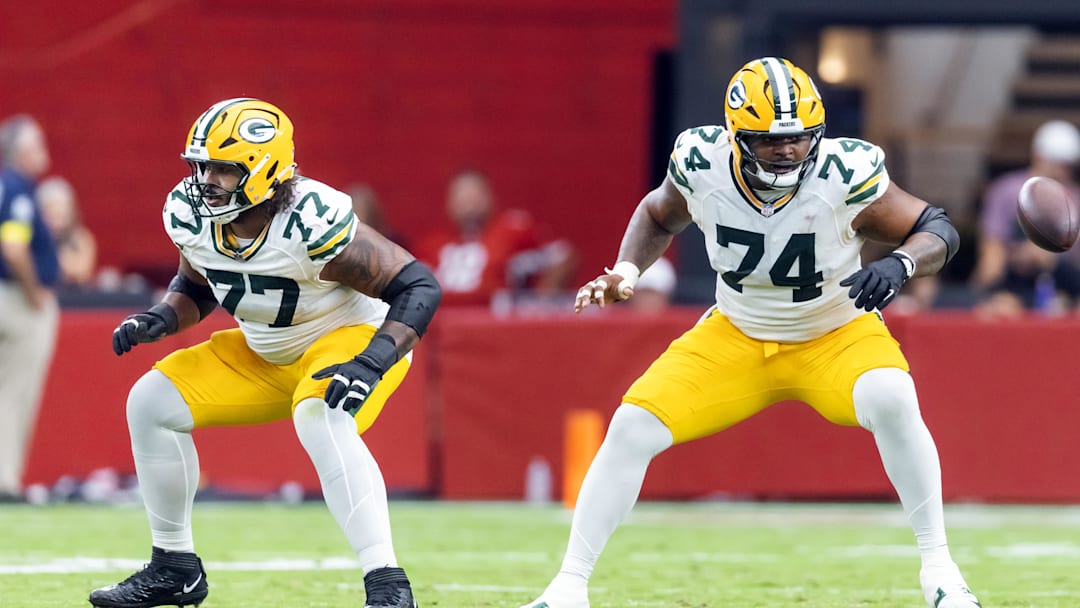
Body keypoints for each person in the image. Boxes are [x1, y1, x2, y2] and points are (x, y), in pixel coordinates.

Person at [521, 57, 980, 608]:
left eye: (799, 138)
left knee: (893, 396)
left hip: (834, 330)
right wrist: (626, 270)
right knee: (632, 425)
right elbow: (658, 213)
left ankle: (941, 571)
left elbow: (937, 228)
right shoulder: (701, 161)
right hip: (737, 331)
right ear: (736, 136)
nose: (788, 152)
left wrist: (899, 263)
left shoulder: (845, 171)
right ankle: (569, 587)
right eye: (770, 141)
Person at [88, 98, 440, 608]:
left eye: (223, 169)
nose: (206, 180)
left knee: (322, 416)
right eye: (202, 166)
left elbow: (418, 286)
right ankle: (174, 568)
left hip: (343, 339)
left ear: (263, 172)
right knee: (150, 403)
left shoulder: (310, 221)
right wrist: (162, 316)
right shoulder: (190, 214)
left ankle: (387, 584)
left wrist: (371, 360)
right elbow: (201, 282)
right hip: (264, 350)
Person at [0, 114, 59, 502]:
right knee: (14, 392)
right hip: (16, 301)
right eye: (36, 145)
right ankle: (6, 481)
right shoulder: (17, 188)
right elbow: (13, 246)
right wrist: (34, 290)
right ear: (20, 151)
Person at [415, 168, 576, 307]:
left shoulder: (511, 230)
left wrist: (542, 302)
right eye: (461, 195)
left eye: (474, 193)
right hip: (445, 327)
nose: (469, 202)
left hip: (493, 322)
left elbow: (563, 256)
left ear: (489, 197)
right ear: (449, 203)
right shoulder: (432, 245)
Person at [971, 119, 1080, 317]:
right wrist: (989, 286)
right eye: (1057, 163)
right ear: (1038, 156)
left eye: (1067, 165)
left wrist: (1050, 261)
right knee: (1000, 308)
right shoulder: (1008, 190)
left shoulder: (1074, 197)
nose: (1062, 171)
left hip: (1064, 284)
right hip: (1013, 283)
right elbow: (992, 249)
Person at [37, 175, 98, 287]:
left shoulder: (81, 238)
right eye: (52, 215)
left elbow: (81, 272)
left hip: (72, 299)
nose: (57, 222)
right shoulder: (33, 239)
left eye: (61, 215)